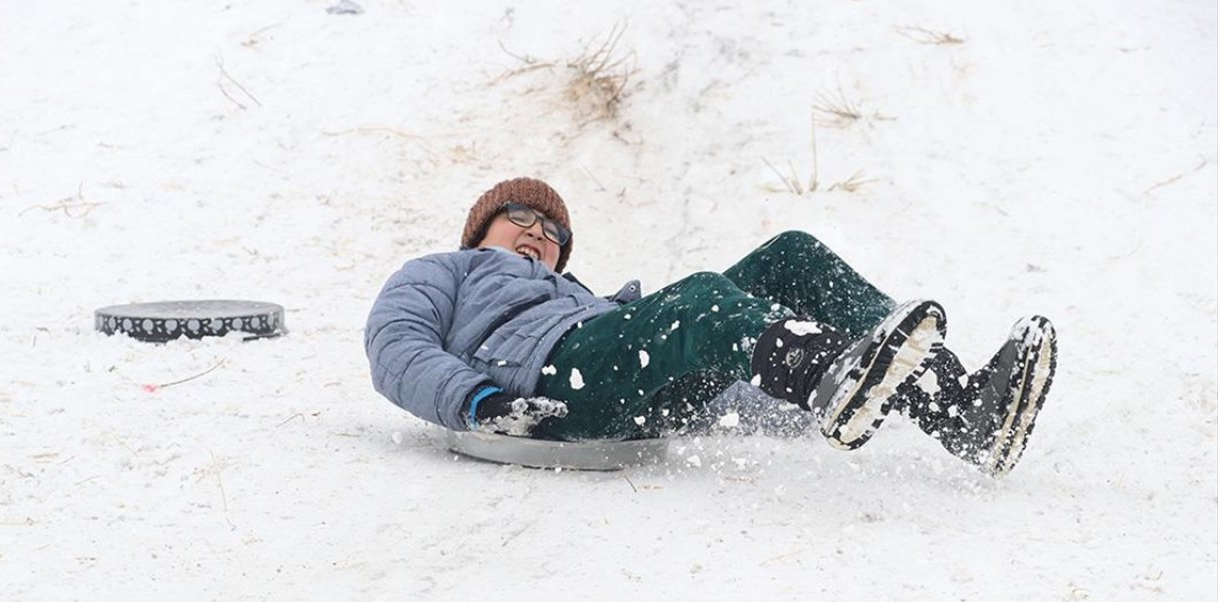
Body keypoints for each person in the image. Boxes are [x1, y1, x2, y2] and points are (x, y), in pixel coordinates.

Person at [365, 177, 1058, 478]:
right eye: (520, 215)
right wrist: (480, 403)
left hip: (607, 377)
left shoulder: (583, 300)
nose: (538, 232)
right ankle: (825, 374)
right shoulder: (445, 272)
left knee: (791, 254)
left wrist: (782, 413)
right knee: (698, 301)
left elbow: (709, 368)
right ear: (479, 228)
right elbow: (396, 347)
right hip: (548, 385)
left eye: (552, 230)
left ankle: (957, 408)